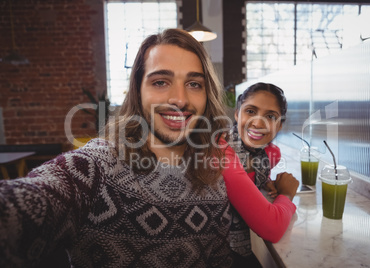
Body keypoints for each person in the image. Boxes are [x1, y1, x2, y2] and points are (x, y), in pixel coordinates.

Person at [0, 28, 231, 268]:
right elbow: (33, 202)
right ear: (138, 91)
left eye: (194, 84)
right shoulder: (99, 164)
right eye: (160, 82)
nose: (180, 99)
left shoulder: (213, 178)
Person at [222, 82, 298, 267]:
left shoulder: (271, 154)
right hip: (220, 254)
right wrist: (287, 193)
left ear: (279, 125)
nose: (258, 123)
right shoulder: (222, 151)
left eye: (270, 116)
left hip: (247, 248)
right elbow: (272, 228)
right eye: (250, 111)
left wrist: (265, 182)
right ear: (236, 114)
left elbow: (247, 183)